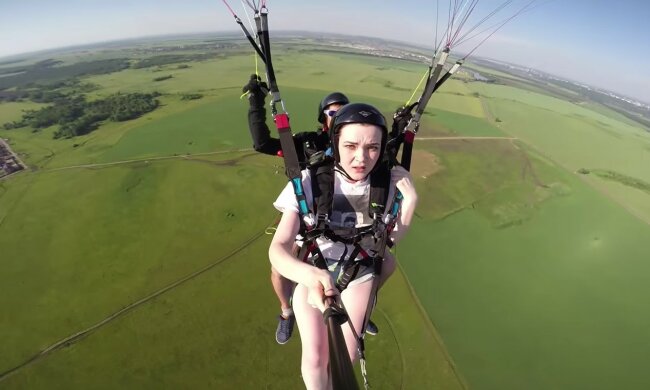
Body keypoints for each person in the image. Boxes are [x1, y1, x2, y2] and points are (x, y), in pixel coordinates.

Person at [269, 103, 418, 389]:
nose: (361, 158)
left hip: (359, 270)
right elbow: (278, 248)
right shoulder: (311, 182)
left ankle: (366, 308)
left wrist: (409, 203)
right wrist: (308, 276)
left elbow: (388, 241)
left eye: (373, 148)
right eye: (350, 145)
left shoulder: (386, 185)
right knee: (315, 359)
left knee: (346, 356)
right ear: (335, 142)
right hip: (316, 269)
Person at [243, 74, 366, 344]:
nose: (338, 117)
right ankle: (287, 312)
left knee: (366, 265)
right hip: (308, 217)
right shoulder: (309, 144)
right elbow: (263, 144)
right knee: (280, 268)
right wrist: (256, 101)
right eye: (332, 112)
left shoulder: (360, 149)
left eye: (343, 113)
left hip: (347, 219)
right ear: (323, 118)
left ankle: (355, 310)